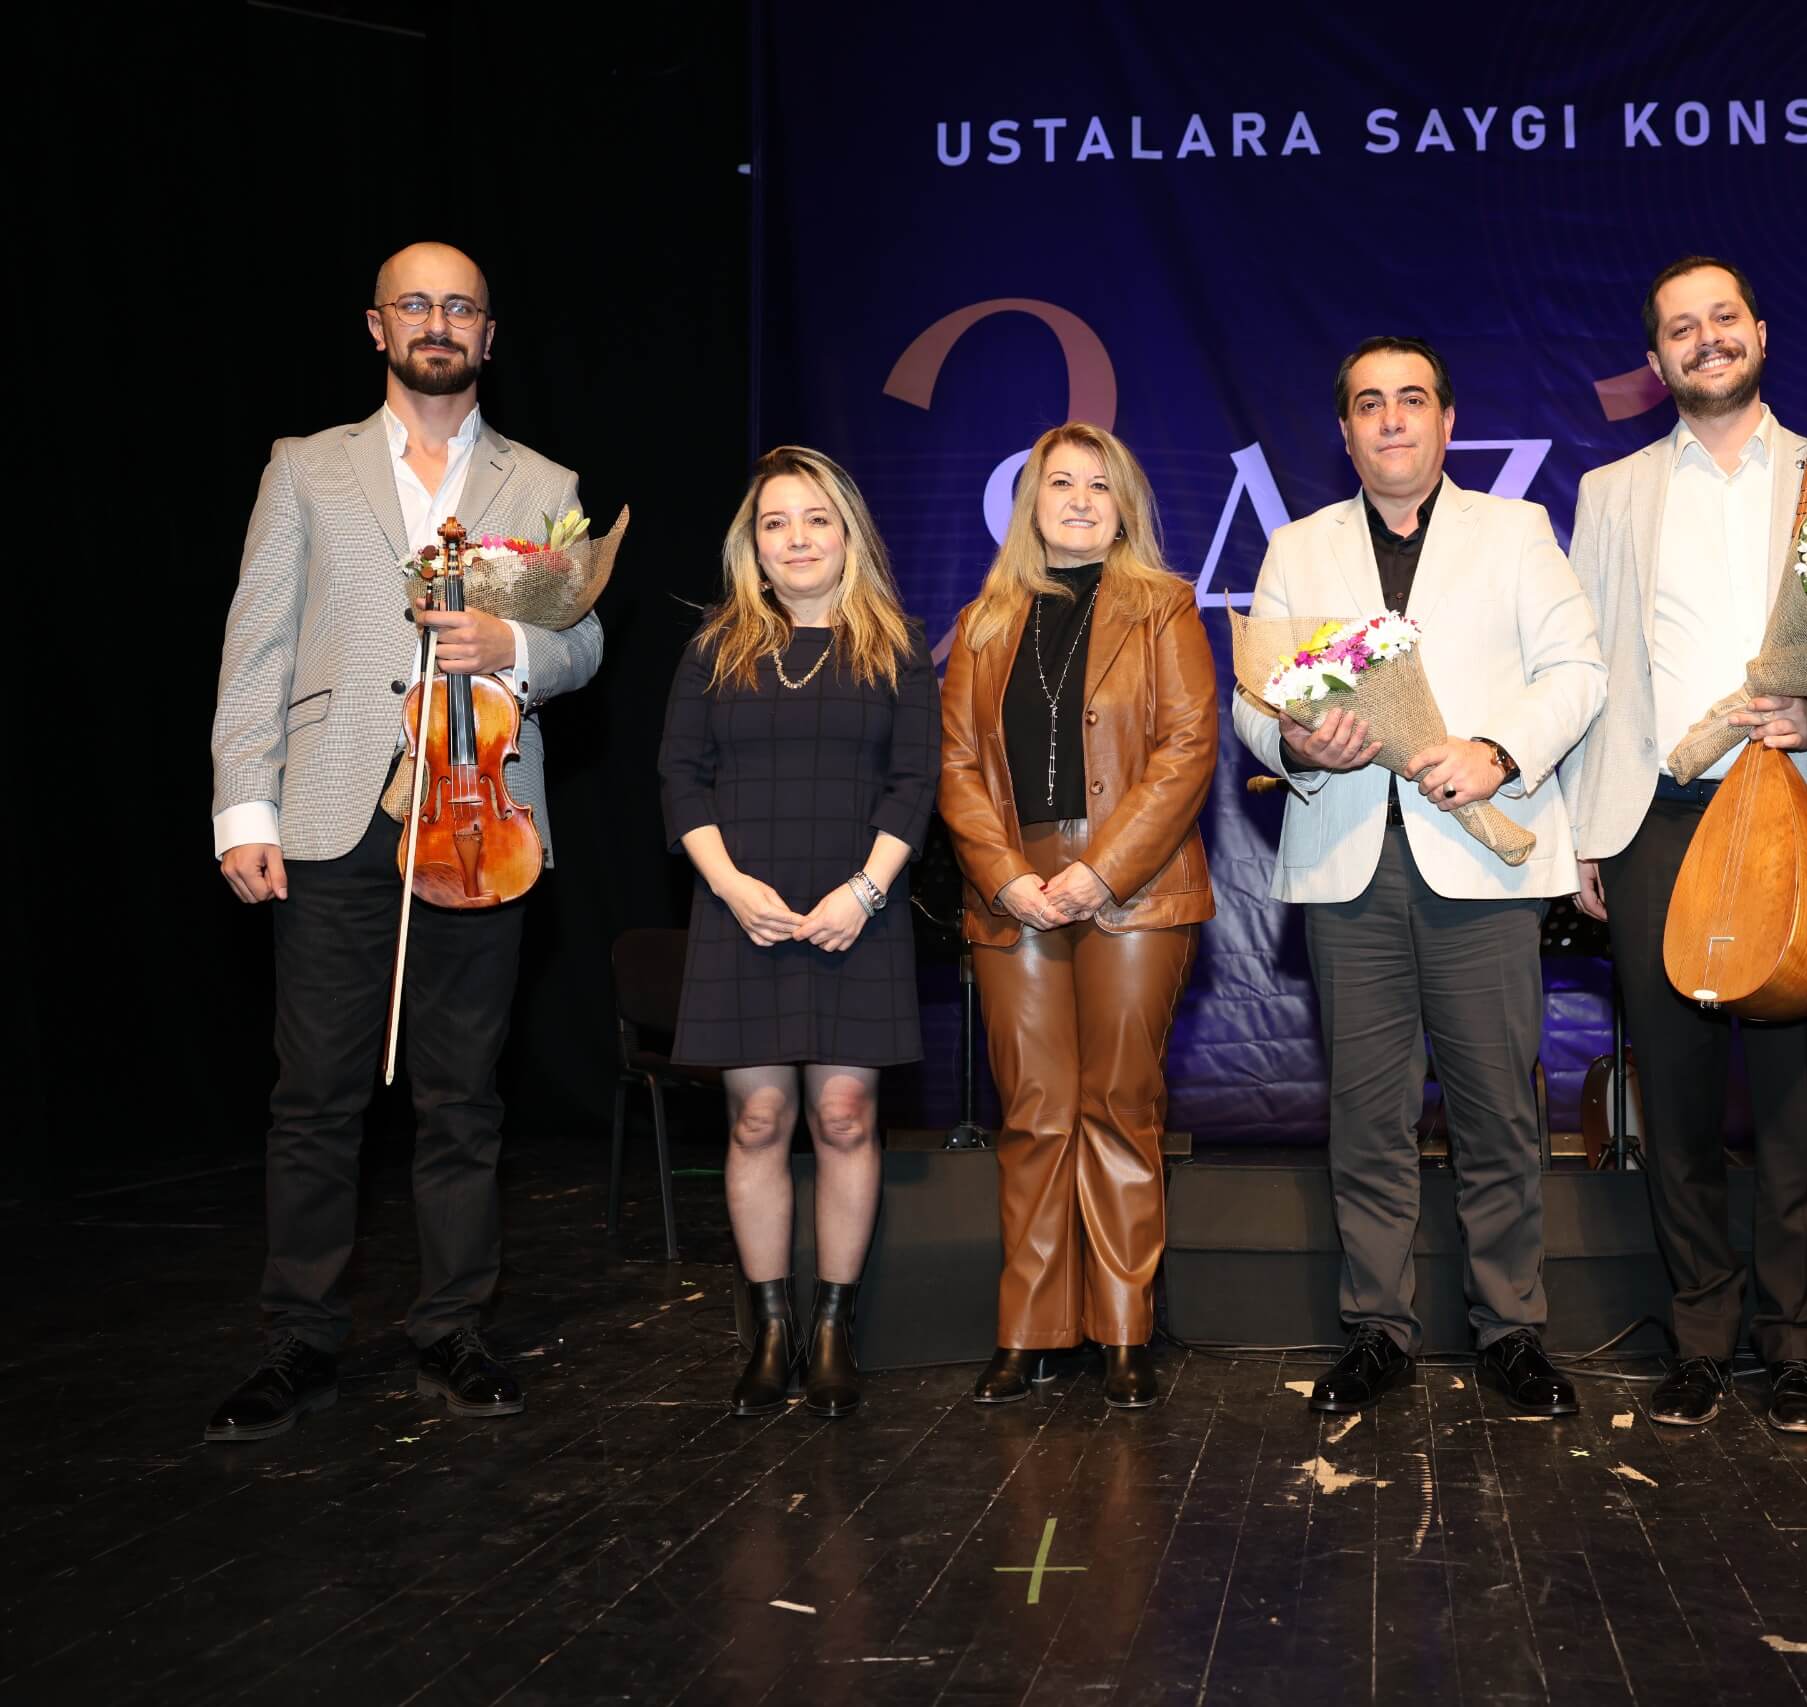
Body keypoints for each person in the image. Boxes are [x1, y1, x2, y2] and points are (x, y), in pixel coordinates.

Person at [206, 242, 605, 1442]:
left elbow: (585, 641)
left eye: (462, 307)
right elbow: (259, 642)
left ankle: (453, 1328)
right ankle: (298, 1338)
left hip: (482, 820)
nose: (440, 322)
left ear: (489, 336)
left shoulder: (546, 481)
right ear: (377, 326)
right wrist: (244, 807)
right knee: (318, 1093)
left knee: (462, 1095)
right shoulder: (304, 467)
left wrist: (515, 647)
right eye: (417, 304)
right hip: (333, 813)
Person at [1234, 337, 1605, 1416]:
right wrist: (1296, 744)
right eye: (1368, 404)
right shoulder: (1299, 546)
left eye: (1410, 400)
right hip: (1348, 866)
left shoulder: (1516, 531)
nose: (1390, 419)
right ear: (1344, 431)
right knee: (1367, 1117)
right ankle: (1377, 1330)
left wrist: (1497, 751)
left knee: (1499, 1114)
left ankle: (1512, 1329)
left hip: (1480, 859)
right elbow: (1254, 701)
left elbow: (1577, 673)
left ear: (1447, 422)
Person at [1560, 256, 1807, 1436]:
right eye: (1680, 329)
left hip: (1793, 805)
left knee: (1799, 1102)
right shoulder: (1610, 492)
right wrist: (1583, 834)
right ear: (1656, 362)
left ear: (1758, 331)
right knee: (1678, 1099)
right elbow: (1588, 670)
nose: (1706, 339)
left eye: (1723, 318)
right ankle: (1700, 1336)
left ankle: (1797, 1344)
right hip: (1656, 818)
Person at [940, 423, 1217, 1410]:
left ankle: (1124, 1329)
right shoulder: (982, 621)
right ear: (1032, 503)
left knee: (1119, 1106)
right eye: (1062, 483)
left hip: (1133, 885)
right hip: (1013, 886)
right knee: (1034, 1113)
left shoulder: (1163, 604)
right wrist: (1005, 875)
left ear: (1124, 506)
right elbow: (957, 767)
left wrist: (1101, 873)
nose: (1081, 500)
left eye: (1101, 485)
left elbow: (1188, 747)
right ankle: (1031, 1330)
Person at [659, 445, 938, 1419]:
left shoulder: (895, 645)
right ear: (754, 544)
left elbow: (915, 784)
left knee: (846, 1116)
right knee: (759, 1121)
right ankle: (771, 1330)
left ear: (847, 533)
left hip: (858, 911)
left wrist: (865, 892)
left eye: (817, 518)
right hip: (744, 911)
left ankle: (832, 1330)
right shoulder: (714, 649)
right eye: (776, 522)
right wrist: (731, 887)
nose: (798, 538)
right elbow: (680, 778)